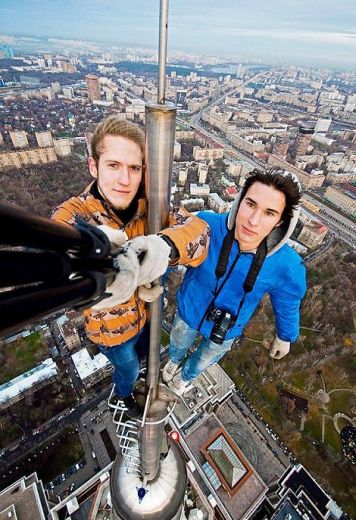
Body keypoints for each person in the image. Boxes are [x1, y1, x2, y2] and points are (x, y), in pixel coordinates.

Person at [52, 115, 209, 416]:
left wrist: (166, 246)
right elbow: (58, 245)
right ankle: (124, 396)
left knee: (145, 357)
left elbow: (200, 232)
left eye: (134, 168)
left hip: (146, 318)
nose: (125, 180)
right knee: (129, 369)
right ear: (93, 166)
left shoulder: (152, 210)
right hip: (112, 334)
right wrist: (96, 259)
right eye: (113, 165)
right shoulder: (77, 214)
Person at [162, 168, 307, 395]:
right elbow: (171, 248)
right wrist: (152, 278)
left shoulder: (286, 264)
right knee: (178, 342)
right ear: (239, 201)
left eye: (269, 213)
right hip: (190, 309)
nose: (253, 220)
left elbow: (288, 301)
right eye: (250, 204)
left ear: (280, 221)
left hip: (227, 328)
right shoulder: (206, 225)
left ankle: (184, 376)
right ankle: (173, 361)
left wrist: (285, 336)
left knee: (203, 360)